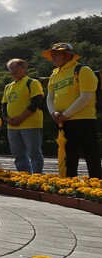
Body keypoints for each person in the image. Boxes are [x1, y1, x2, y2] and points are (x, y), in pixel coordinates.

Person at [44, 42, 100, 178]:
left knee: (90, 153)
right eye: (52, 55)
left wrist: (65, 114)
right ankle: (70, 183)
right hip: (63, 121)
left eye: (56, 55)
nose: (53, 58)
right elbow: (49, 98)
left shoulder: (83, 70)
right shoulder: (54, 74)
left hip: (84, 119)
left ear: (67, 55)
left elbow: (86, 96)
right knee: (69, 155)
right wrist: (53, 113)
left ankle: (97, 185)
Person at [2, 58, 44, 174]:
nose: (13, 70)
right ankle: (24, 177)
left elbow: (36, 103)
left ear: (24, 68)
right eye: (10, 68)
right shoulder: (8, 87)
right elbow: (4, 106)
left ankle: (36, 178)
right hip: (12, 127)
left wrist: (20, 118)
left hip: (30, 124)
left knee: (34, 153)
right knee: (18, 154)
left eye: (16, 67)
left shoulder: (32, 83)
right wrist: (7, 119)